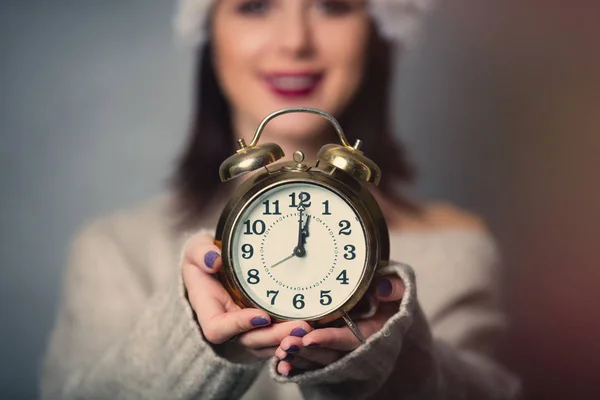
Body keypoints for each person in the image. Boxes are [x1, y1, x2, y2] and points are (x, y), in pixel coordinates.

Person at [41, 0, 520, 399]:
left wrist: (390, 364)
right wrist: (187, 348)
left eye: (333, 4)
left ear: (374, 33)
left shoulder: (457, 250)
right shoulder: (115, 251)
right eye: (255, 5)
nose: (294, 40)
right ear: (210, 31)